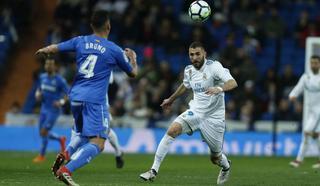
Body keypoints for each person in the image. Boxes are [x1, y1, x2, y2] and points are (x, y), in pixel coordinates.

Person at [35, 10, 138, 186]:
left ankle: (66, 154)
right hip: (94, 100)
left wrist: (44, 49)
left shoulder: (80, 40)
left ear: (91, 26)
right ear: (108, 26)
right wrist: (134, 59)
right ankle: (66, 170)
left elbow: (56, 47)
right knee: (98, 142)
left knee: (83, 134)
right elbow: (132, 74)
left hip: (75, 98)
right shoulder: (114, 49)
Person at [139, 41, 238, 185]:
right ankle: (153, 170)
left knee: (215, 158)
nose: (194, 57)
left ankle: (226, 166)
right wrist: (171, 99)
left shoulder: (214, 67)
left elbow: (233, 82)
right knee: (172, 130)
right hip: (196, 112)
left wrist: (219, 89)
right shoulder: (189, 70)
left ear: (204, 54)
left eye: (198, 54)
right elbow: (185, 86)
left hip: (214, 118)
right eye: (191, 54)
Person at [32, 58, 68, 163]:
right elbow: (39, 89)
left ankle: (41, 155)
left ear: (55, 67)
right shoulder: (42, 77)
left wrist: (61, 102)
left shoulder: (60, 80)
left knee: (44, 132)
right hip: (44, 108)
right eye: (47, 64)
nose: (48, 66)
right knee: (41, 133)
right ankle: (60, 139)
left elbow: (68, 94)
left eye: (51, 64)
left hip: (53, 111)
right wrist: (37, 94)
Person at [289, 55, 320, 169]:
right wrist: (292, 95)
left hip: (319, 111)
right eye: (312, 63)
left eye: (316, 63)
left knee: (306, 132)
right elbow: (298, 88)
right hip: (311, 111)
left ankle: (298, 160)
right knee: (316, 135)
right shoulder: (306, 77)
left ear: (319, 64)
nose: (313, 65)